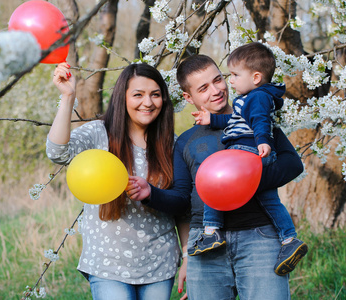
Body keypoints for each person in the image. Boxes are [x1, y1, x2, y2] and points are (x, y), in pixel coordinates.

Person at [127, 54, 304, 299]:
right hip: (205, 241)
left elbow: (293, 164)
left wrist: (241, 183)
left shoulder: (256, 122)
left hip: (259, 236)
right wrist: (151, 194)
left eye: (218, 80)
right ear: (189, 98)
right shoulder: (186, 142)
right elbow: (181, 200)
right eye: (203, 88)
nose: (216, 90)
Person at [46, 62, 189, 300]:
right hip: (107, 262)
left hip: (159, 263)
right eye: (138, 95)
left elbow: (183, 208)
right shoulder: (98, 133)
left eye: (155, 95)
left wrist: (187, 258)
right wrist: (68, 96)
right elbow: (57, 152)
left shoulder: (173, 144)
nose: (148, 102)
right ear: (122, 98)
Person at [189, 42, 308, 276]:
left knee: (215, 183)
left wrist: (263, 139)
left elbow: (260, 120)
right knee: (269, 200)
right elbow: (236, 122)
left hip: (247, 150)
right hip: (252, 153)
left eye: (234, 75)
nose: (230, 81)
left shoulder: (258, 97)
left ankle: (211, 232)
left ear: (255, 77)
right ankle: (289, 240)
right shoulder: (250, 99)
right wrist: (211, 120)